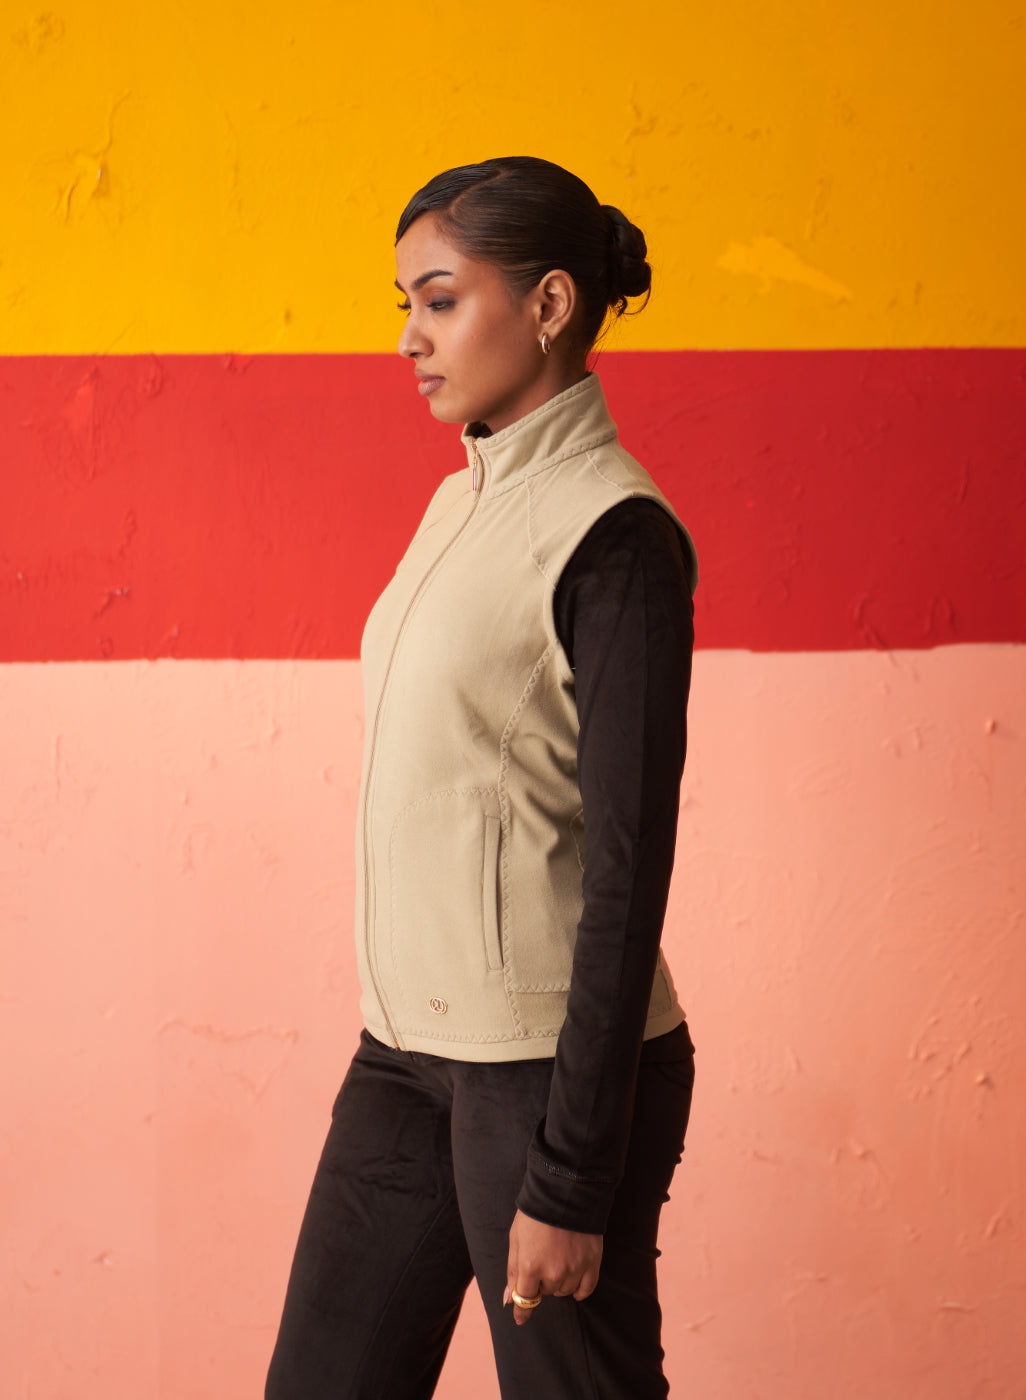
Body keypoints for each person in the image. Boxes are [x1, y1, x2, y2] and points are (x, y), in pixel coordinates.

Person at [265, 156, 698, 1400]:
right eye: (405, 303)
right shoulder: (461, 503)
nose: (409, 336)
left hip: (547, 1073)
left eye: (441, 300)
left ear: (550, 304)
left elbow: (629, 865)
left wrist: (571, 1172)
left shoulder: (616, 536)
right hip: (405, 1052)